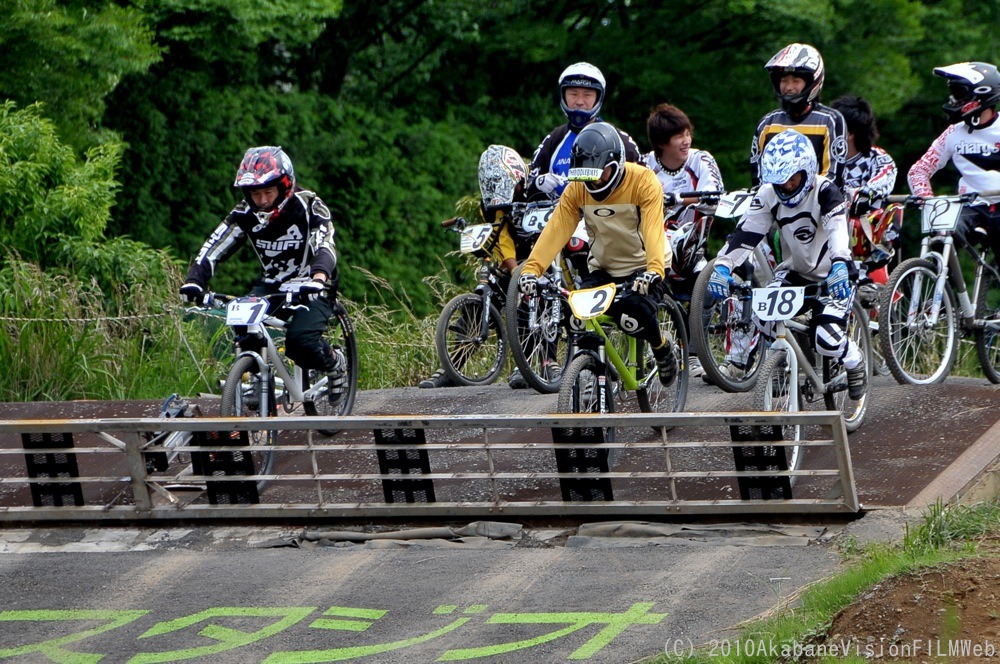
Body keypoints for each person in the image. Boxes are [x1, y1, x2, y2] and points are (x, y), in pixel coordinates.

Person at [707, 129, 868, 400]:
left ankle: (854, 360)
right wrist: (723, 266)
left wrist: (840, 262)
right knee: (763, 312)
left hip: (833, 275)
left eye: (792, 179)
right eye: (779, 182)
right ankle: (780, 362)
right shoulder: (768, 194)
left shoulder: (826, 191)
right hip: (796, 273)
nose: (786, 187)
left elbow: (838, 230)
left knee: (826, 339)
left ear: (806, 171)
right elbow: (745, 234)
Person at [179, 146, 347, 398]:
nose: (264, 200)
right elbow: (214, 247)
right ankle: (257, 382)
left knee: (300, 343)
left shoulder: (309, 205)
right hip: (273, 285)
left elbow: (326, 244)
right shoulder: (244, 214)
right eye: (256, 194)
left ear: (285, 185)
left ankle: (335, 363)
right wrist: (194, 281)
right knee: (243, 326)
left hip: (313, 285)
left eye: (269, 191)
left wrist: (319, 277)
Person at [518, 122, 678, 386]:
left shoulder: (643, 180)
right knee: (575, 316)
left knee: (633, 316)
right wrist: (531, 270)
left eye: (599, 174)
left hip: (645, 266)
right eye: (586, 175)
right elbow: (555, 230)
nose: (593, 181)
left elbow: (652, 228)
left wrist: (654, 270)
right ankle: (594, 369)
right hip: (603, 267)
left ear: (616, 165)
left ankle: (661, 347)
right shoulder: (578, 189)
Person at [419, 145, 541, 388]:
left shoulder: (537, 187)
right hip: (514, 259)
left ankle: (529, 365)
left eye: (512, 188)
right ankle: (451, 367)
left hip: (542, 257)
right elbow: (501, 236)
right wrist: (513, 268)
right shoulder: (491, 200)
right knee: (482, 303)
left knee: (529, 304)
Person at [642, 103, 725, 378]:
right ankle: (655, 352)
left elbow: (715, 194)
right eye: (679, 136)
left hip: (693, 250)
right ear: (662, 143)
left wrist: (678, 199)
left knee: (710, 290)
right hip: (654, 248)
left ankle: (695, 353)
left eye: (688, 133)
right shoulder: (646, 165)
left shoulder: (700, 159)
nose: (686, 140)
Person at [908, 61, 1000, 265]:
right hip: (970, 206)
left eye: (959, 94)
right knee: (940, 238)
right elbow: (919, 171)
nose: (953, 100)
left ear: (980, 95)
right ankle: (939, 288)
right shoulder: (952, 133)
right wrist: (926, 200)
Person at [525, 62, 641, 202]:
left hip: (608, 219)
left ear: (598, 98)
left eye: (587, 95)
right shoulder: (554, 139)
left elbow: (644, 184)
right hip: (557, 219)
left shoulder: (621, 140)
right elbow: (527, 185)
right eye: (573, 94)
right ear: (563, 95)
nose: (580, 101)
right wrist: (538, 183)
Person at [750, 43, 848, 192]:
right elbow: (758, 177)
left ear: (811, 82)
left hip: (818, 205)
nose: (788, 87)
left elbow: (833, 176)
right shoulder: (767, 124)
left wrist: (802, 195)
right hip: (775, 204)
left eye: (796, 81)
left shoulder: (830, 121)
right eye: (784, 80)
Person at [829, 95, 900, 286]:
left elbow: (886, 175)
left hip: (866, 230)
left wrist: (864, 192)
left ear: (849, 133)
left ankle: (858, 275)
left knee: (854, 223)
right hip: (829, 221)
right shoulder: (825, 159)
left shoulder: (876, 157)